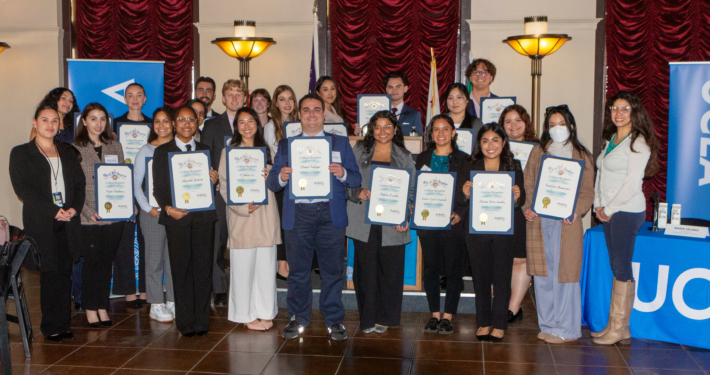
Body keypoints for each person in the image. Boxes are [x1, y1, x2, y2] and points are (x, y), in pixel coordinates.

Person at [267, 93, 361, 341]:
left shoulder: (340, 143)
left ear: (324, 114)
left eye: (316, 110)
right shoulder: (287, 145)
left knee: (332, 271)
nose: (311, 115)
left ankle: (334, 320)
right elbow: (272, 182)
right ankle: (297, 316)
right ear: (299, 115)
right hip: (299, 214)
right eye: (306, 110)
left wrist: (342, 173)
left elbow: (355, 178)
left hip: (330, 213)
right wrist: (282, 177)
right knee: (298, 271)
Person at [10, 104, 85, 341]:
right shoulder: (21, 153)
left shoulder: (67, 151)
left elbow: (79, 185)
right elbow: (24, 190)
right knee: (50, 272)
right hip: (43, 220)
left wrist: (74, 208)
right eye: (45, 120)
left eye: (55, 121)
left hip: (68, 220)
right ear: (35, 123)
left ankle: (63, 323)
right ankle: (50, 325)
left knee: (65, 272)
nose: (50, 125)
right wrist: (55, 210)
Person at [522, 105, 595, 343]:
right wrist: (528, 208)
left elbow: (587, 192)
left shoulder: (582, 155)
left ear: (571, 126)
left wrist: (577, 210)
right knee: (543, 275)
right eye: (552, 125)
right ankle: (548, 324)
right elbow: (528, 185)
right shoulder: (538, 152)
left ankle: (566, 329)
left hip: (568, 222)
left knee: (565, 275)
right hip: (540, 221)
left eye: (561, 124)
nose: (557, 129)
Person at [591, 91, 658, 345]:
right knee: (616, 264)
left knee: (621, 265)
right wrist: (599, 205)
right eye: (614, 108)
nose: (618, 113)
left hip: (627, 211)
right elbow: (601, 174)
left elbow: (632, 184)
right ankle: (617, 327)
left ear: (635, 112)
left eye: (625, 109)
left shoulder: (638, 142)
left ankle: (619, 327)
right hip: (609, 210)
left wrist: (608, 209)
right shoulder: (611, 138)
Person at [152, 105, 219, 337]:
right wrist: (168, 208)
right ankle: (185, 322)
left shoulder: (205, 150)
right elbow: (158, 188)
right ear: (174, 123)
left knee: (203, 270)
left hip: (203, 219)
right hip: (177, 219)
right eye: (182, 119)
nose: (187, 124)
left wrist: (213, 179)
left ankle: (202, 321)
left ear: (197, 123)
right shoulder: (162, 152)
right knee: (180, 271)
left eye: (191, 119)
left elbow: (210, 188)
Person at [345, 111, 414, 334]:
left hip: (392, 222)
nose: (382, 131)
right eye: (377, 126)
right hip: (363, 220)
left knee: (390, 271)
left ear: (395, 129)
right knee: (364, 272)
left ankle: (385, 317)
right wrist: (357, 192)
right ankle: (367, 318)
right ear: (370, 129)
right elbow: (346, 179)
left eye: (387, 127)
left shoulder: (404, 155)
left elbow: (411, 190)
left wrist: (405, 215)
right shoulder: (359, 150)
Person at [458, 122, 524, 342]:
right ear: (480, 144)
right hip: (477, 231)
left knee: (502, 277)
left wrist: (516, 198)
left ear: (504, 143)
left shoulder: (513, 166)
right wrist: (466, 194)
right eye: (485, 140)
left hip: (504, 229)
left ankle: (499, 324)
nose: (490, 145)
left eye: (495, 140)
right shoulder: (470, 164)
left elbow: (520, 200)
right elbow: (460, 198)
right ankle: (484, 322)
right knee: (481, 278)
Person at [219, 107, 281, 330]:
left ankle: (265, 311)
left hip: (265, 215)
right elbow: (224, 187)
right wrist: (243, 207)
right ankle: (244, 315)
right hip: (243, 215)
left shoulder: (267, 151)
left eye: (250, 121)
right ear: (236, 127)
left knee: (266, 268)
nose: (246, 126)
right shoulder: (229, 152)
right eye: (241, 122)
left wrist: (271, 175)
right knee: (243, 269)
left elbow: (277, 184)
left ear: (258, 124)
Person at [73, 102, 126, 327]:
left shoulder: (115, 145)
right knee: (92, 264)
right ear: (84, 121)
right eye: (93, 118)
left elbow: (122, 179)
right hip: (89, 217)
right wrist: (87, 211)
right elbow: (74, 187)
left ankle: (102, 305)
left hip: (113, 216)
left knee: (106, 263)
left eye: (102, 119)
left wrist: (126, 204)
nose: (98, 123)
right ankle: (90, 308)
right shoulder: (74, 148)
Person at [416, 115, 468, 334]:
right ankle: (434, 314)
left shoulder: (464, 160)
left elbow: (468, 191)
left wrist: (461, 213)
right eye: (436, 129)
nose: (440, 133)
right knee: (431, 269)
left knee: (454, 270)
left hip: (452, 222)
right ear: (431, 133)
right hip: (427, 221)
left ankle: (448, 315)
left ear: (453, 132)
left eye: (445, 129)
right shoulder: (421, 158)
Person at [32, 88, 83, 312]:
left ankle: (73, 304)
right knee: (52, 267)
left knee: (71, 258)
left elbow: (78, 173)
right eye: (63, 98)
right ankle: (55, 315)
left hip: (71, 202)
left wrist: (75, 204)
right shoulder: (35, 141)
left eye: (71, 100)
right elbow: (32, 179)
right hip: (47, 209)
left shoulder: (73, 132)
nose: (67, 102)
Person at [202, 79, 248, 307]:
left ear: (245, 97)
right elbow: (205, 157)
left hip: (245, 194)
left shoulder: (251, 123)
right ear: (222, 98)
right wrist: (212, 179)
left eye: (238, 93)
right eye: (229, 94)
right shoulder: (211, 126)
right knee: (218, 242)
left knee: (242, 241)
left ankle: (241, 286)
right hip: (219, 194)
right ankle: (219, 288)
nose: (234, 98)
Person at [133, 107, 176, 323]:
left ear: (174, 123)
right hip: (152, 213)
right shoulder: (145, 150)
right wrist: (146, 208)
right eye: (157, 122)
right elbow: (136, 184)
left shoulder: (179, 149)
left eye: (166, 121)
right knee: (154, 259)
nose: (161, 126)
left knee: (173, 258)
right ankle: (156, 303)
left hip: (175, 213)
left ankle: (173, 301)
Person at [499, 104, 538, 324]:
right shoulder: (496, 147)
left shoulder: (539, 149)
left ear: (526, 122)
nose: (513, 125)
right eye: (508, 121)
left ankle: (513, 308)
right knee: (503, 258)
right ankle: (502, 303)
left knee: (522, 260)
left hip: (527, 210)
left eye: (518, 120)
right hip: (500, 210)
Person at [113, 82, 151, 307]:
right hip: (121, 186)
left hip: (148, 187)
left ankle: (146, 290)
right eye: (130, 95)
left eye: (139, 95)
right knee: (124, 241)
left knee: (147, 239)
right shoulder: (115, 124)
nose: (135, 99)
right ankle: (127, 290)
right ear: (125, 99)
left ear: (145, 99)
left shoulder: (152, 125)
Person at [264, 85, 299, 280]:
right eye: (282, 99)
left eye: (290, 99)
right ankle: (281, 265)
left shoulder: (301, 123)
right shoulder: (270, 127)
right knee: (283, 224)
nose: (287, 103)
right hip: (281, 182)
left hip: (301, 182)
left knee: (296, 225)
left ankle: (292, 262)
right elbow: (275, 158)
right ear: (275, 103)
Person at [384, 71, 423, 136]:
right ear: (386, 89)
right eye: (391, 87)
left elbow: (419, 141)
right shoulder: (380, 113)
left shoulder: (414, 115)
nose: (394, 90)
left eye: (398, 86)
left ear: (405, 88)